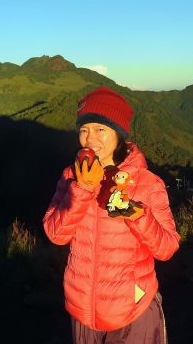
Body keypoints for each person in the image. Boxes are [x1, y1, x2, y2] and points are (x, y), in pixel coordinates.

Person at [43, 86, 180, 344]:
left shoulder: (147, 183)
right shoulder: (70, 177)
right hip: (84, 313)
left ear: (119, 134)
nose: (90, 138)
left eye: (100, 129)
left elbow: (167, 247)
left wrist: (137, 214)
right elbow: (55, 234)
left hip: (132, 312)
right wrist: (82, 189)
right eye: (84, 130)